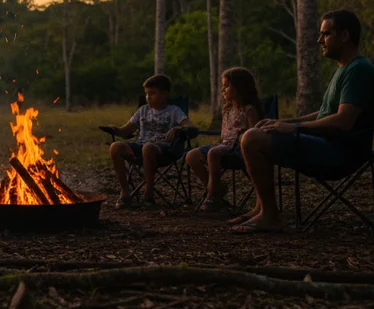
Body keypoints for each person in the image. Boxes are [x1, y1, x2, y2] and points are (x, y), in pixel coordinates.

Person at [235, 9, 374, 233]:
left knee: (252, 140)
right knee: (259, 131)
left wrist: (293, 128)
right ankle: (262, 208)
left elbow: (343, 121)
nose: (319, 40)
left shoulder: (359, 71)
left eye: (326, 34)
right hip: (327, 144)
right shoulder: (343, 70)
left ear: (345, 36)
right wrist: (282, 121)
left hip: (340, 153)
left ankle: (270, 215)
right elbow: (323, 113)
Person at [101, 74, 194, 209]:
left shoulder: (174, 111)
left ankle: (148, 193)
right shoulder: (143, 110)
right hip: (140, 145)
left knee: (148, 147)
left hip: (164, 149)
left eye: (152, 93)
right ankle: (125, 192)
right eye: (146, 94)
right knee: (115, 146)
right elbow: (126, 131)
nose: (148, 97)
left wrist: (178, 128)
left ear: (165, 94)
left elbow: (191, 127)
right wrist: (116, 130)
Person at [185, 68, 262, 216]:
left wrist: (243, 135)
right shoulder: (226, 109)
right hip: (224, 146)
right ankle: (217, 187)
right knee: (191, 156)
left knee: (214, 152)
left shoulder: (249, 109)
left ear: (239, 88)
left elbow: (255, 135)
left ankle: (212, 196)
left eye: (226, 86)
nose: (223, 89)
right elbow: (224, 134)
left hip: (240, 149)